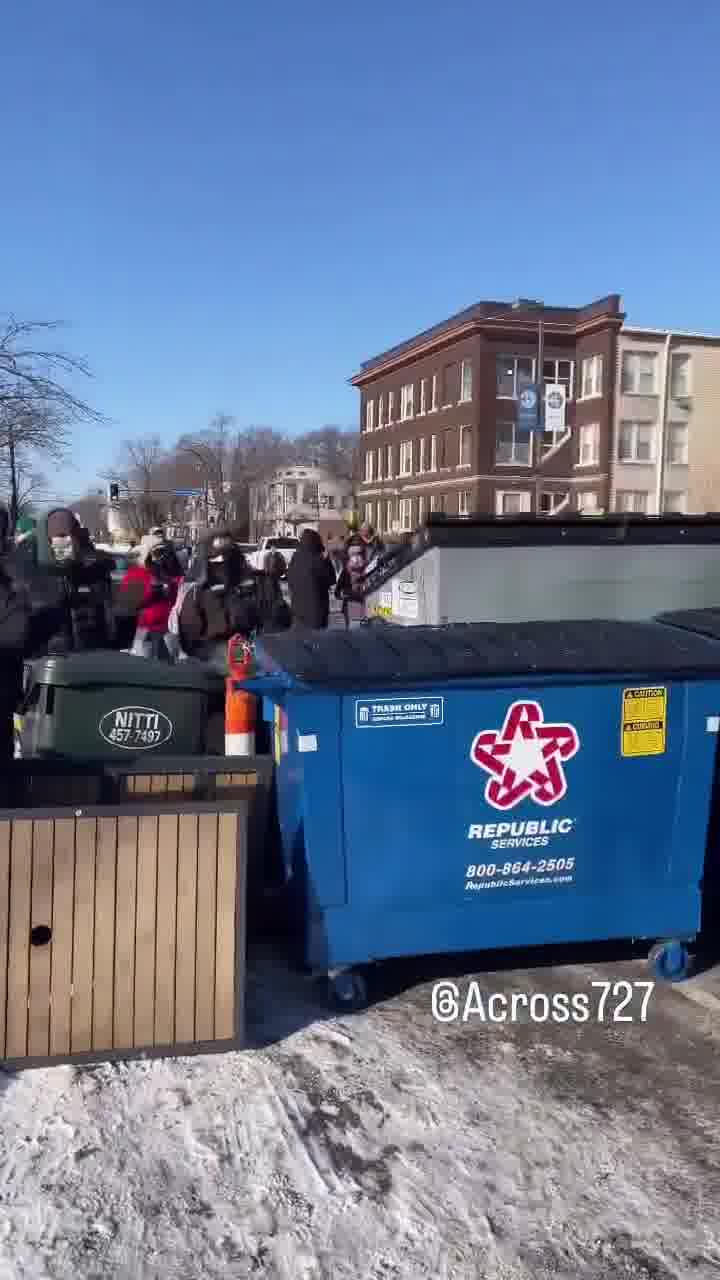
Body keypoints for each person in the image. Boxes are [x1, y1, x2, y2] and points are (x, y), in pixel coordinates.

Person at [22, 508, 115, 655]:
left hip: (92, 654)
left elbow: (107, 613)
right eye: (59, 537)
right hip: (50, 661)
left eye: (71, 536)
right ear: (47, 540)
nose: (67, 543)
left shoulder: (93, 571)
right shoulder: (28, 578)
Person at [177, 530, 264, 673]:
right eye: (216, 558)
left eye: (228, 555)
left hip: (241, 648)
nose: (222, 561)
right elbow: (189, 631)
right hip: (210, 654)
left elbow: (264, 617)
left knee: (240, 685)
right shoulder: (197, 589)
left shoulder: (250, 584)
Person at [119, 535, 183, 661]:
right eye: (157, 552)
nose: (162, 556)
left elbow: (179, 597)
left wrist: (174, 586)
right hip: (146, 629)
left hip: (169, 629)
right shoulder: (137, 573)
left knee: (171, 668)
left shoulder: (171, 572)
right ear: (147, 553)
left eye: (164, 552)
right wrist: (152, 591)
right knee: (143, 668)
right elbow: (128, 603)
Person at [286, 528, 336, 630]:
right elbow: (331, 579)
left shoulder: (295, 559)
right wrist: (326, 561)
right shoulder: (317, 560)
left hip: (297, 612)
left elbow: (289, 581)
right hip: (316, 614)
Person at [335, 536, 369, 629]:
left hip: (366, 611)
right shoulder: (346, 572)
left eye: (359, 554)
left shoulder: (369, 570)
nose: (356, 559)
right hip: (353, 611)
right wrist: (344, 593)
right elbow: (337, 592)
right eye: (353, 555)